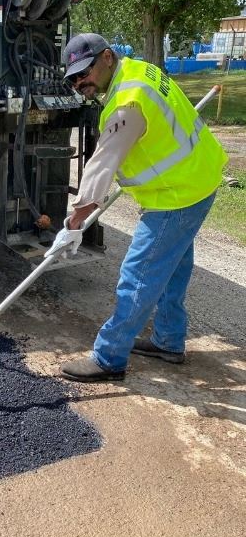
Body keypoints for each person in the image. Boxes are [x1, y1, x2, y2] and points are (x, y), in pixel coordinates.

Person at [54, 33, 227, 382]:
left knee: (139, 276)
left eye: (84, 73)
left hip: (175, 195)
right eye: (73, 78)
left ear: (107, 57)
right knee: (173, 268)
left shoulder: (127, 103)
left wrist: (74, 222)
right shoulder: (139, 71)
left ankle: (108, 358)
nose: (79, 83)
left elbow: (102, 164)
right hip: (198, 179)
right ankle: (169, 340)